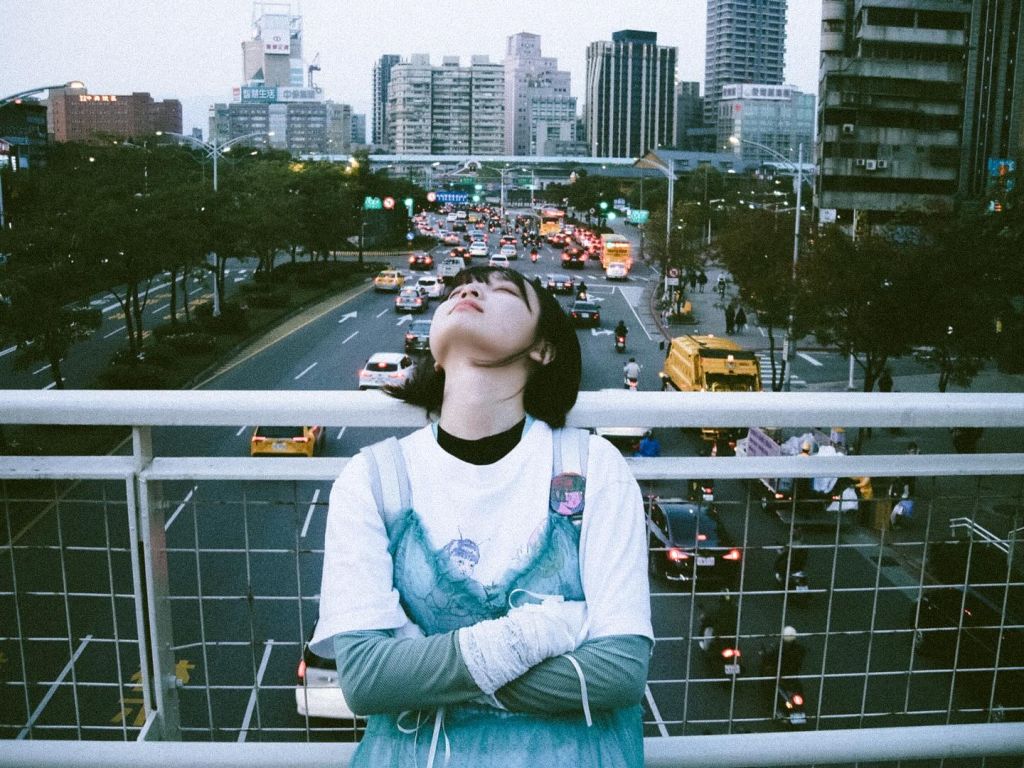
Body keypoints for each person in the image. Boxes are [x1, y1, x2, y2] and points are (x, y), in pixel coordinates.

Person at [312, 265, 653, 768]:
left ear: (543, 348)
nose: (468, 290)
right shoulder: (375, 479)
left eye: (504, 290)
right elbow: (365, 680)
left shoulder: (592, 467)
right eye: (459, 288)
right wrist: (547, 631)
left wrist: (422, 672)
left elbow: (620, 671)